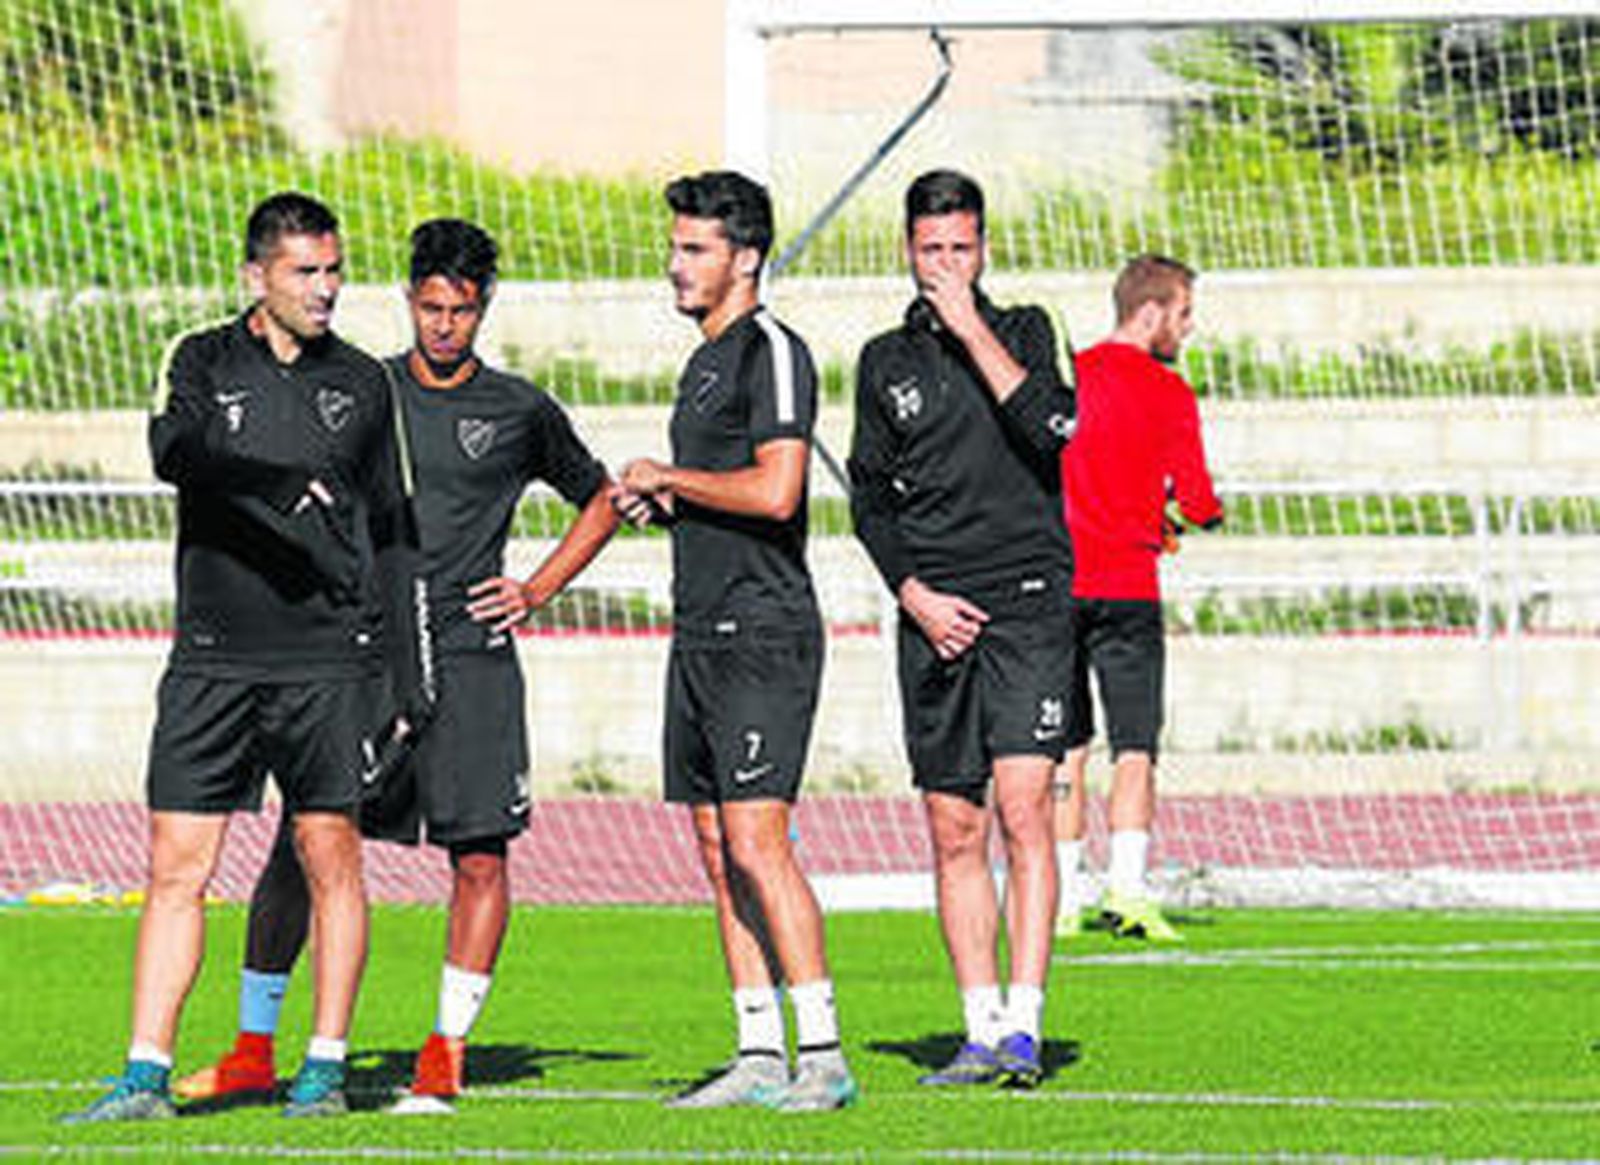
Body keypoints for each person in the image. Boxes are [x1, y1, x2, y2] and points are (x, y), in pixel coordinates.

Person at [172, 218, 621, 1112]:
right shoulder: (360, 389)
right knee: (302, 847)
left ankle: (445, 1050)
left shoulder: (520, 409)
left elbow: (602, 496)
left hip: (472, 656)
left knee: (481, 857)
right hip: (360, 654)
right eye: (429, 306)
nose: (443, 324)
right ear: (408, 300)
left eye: (460, 309)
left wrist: (535, 587)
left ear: (482, 308)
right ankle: (256, 1045)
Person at [64, 192, 429, 1122]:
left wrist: (406, 676)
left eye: (335, 269)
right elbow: (174, 452)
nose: (327, 289)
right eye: (306, 271)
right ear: (255, 277)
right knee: (176, 866)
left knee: (328, 858)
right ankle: (145, 1073)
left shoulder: (365, 383)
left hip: (328, 664)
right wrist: (273, 481)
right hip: (213, 662)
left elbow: (393, 531)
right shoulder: (200, 359)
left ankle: (324, 1066)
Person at [612, 170, 856, 1112]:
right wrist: (665, 503)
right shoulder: (702, 362)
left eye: (694, 249)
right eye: (677, 246)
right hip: (701, 629)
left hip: (764, 633)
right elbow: (722, 496)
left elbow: (778, 490)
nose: (676, 265)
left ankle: (824, 1054)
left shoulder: (772, 350)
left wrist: (672, 475)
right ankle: (758, 1051)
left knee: (758, 841)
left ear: (744, 257)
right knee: (717, 848)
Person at [848, 169, 1076, 1089]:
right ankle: (977, 1026)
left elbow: (1055, 426)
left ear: (983, 251)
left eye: (960, 249)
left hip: (1027, 599)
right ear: (907, 250)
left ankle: (1026, 1024)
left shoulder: (1022, 330)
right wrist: (911, 592)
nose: (944, 264)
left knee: (1025, 806)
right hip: (936, 613)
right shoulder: (882, 361)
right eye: (930, 249)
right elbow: (869, 496)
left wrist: (971, 324)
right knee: (952, 824)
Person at [1053, 254, 1222, 942]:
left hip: (1060, 583)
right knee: (1134, 745)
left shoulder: (1070, 376)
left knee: (1065, 746)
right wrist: (1197, 516)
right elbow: (1198, 497)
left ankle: (1060, 896)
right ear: (1150, 312)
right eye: (1183, 314)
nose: (1187, 329)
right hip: (1126, 586)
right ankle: (1126, 888)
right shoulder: (1168, 391)